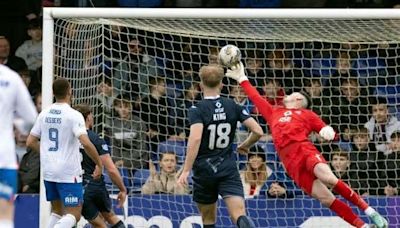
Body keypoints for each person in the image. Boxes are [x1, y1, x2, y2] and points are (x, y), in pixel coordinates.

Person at [225, 61, 388, 228]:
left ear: (298, 99)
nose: (287, 94)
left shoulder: (306, 114)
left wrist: (328, 131)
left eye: (292, 93)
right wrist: (242, 78)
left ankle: (371, 212)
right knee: (326, 199)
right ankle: (364, 227)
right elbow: (256, 98)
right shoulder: (274, 112)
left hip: (304, 150)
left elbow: (324, 128)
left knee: (328, 178)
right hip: (290, 164)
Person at [177, 64, 264, 228]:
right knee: (239, 215)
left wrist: (186, 169)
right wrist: (245, 145)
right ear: (222, 84)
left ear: (200, 85)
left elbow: (195, 139)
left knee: (208, 221)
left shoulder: (197, 109)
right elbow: (258, 131)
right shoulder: (233, 105)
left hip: (204, 171)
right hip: (227, 168)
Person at [26, 78, 103, 228]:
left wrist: (46, 153)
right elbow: (86, 143)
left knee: (57, 210)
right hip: (68, 172)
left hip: (49, 170)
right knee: (75, 214)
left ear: (53, 93)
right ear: (70, 91)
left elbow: (30, 142)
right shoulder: (74, 115)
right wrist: (99, 164)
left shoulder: (44, 113)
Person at [75, 104, 127, 228]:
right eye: (91, 115)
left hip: (78, 188)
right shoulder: (95, 139)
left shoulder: (68, 140)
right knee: (111, 217)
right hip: (96, 186)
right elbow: (111, 169)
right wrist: (122, 189)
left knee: (99, 225)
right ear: (88, 118)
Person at [0, 64, 38, 228]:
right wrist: (17, 123)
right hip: (4, 156)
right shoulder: (11, 77)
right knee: (4, 216)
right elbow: (30, 118)